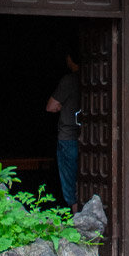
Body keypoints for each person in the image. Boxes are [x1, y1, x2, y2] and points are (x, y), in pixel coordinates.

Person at [46, 52, 81, 210]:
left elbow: (51, 107)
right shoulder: (92, 77)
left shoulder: (69, 80)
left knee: (70, 184)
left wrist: (61, 106)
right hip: (87, 137)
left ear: (70, 58)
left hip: (68, 138)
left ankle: (76, 220)